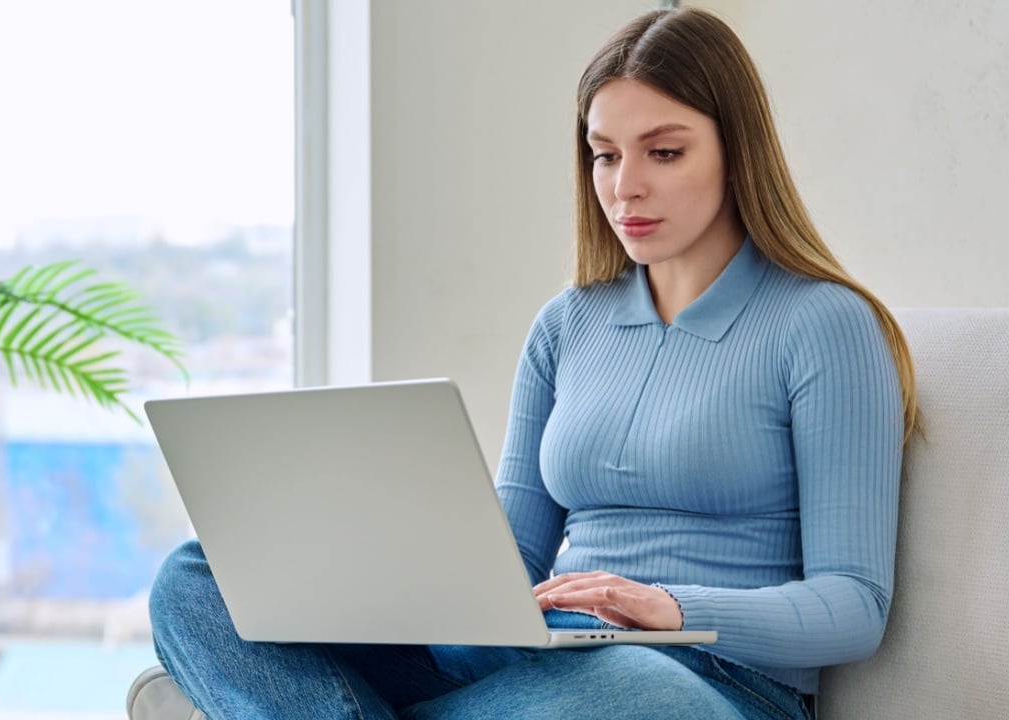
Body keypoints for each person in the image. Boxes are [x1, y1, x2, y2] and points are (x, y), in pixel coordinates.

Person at [148, 7, 916, 719]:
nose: (626, 187)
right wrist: (397, 571)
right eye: (604, 156)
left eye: (665, 152)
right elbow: (512, 556)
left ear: (736, 148)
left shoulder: (825, 325)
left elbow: (853, 607)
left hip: (707, 678)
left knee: (631, 688)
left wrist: (669, 607)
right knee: (195, 578)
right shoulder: (567, 323)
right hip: (538, 648)